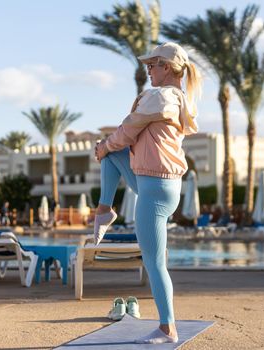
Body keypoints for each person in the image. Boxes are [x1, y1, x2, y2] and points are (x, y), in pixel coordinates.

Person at [94, 42, 202, 344]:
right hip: (157, 183)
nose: (148, 71)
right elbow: (126, 138)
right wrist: (107, 149)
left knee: (154, 263)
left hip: (154, 190)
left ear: (166, 67)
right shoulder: (178, 97)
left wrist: (103, 146)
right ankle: (105, 209)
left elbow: (129, 129)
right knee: (112, 157)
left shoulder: (161, 96)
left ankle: (168, 328)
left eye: (151, 66)